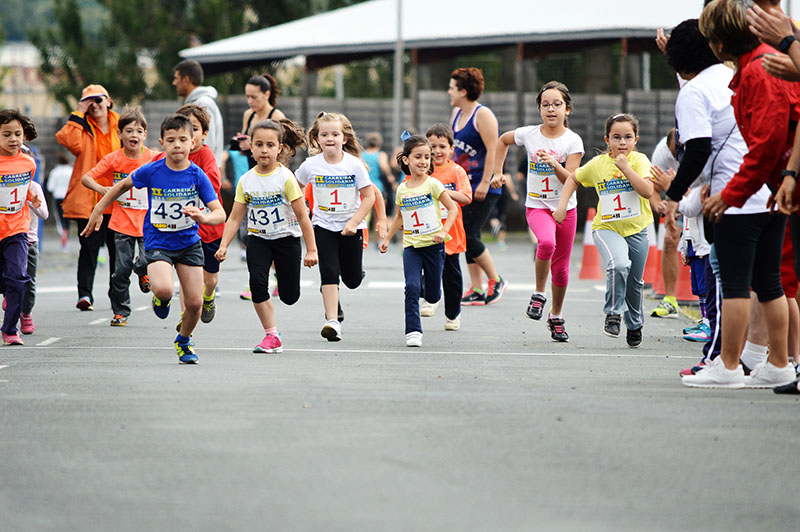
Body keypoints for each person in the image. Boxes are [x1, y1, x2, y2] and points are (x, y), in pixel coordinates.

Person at [682, 0, 799, 388]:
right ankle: (779, 364)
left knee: (737, 282)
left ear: (718, 42)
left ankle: (729, 367)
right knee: (771, 282)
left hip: (759, 190)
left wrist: (730, 194)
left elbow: (766, 142)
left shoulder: (759, 70)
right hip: (772, 188)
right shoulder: (754, 66)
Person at [81, 114, 225, 364]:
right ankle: (161, 297)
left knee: (194, 304)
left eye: (183, 139)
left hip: (189, 243)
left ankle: (184, 340)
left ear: (193, 142)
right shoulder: (152, 169)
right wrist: (97, 210)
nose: (177, 145)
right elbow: (121, 186)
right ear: (162, 143)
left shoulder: (197, 175)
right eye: (171, 140)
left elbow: (220, 212)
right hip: (158, 242)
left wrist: (203, 217)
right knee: (165, 288)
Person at [216, 119, 317, 353]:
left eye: (270, 145)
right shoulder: (246, 180)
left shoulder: (286, 178)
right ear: (250, 147)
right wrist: (223, 246)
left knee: (290, 296)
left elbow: (303, 216)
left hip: (287, 240)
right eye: (259, 144)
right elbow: (234, 218)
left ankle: (281, 279)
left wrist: (311, 250)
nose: (264, 150)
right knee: (257, 284)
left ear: (279, 148)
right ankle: (271, 335)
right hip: (258, 240)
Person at [554, 114, 655, 348]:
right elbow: (573, 179)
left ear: (636, 139)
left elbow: (648, 191)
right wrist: (562, 206)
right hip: (606, 228)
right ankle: (612, 313)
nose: (622, 143)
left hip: (637, 229)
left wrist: (626, 168)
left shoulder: (639, 160)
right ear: (607, 139)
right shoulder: (598, 165)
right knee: (619, 264)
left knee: (634, 282)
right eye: (616, 137)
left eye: (628, 137)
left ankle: (634, 324)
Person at [495, 80, 584, 342]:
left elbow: (572, 177)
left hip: (565, 208)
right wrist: (498, 172)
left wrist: (554, 163)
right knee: (546, 242)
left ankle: (556, 316)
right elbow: (502, 140)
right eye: (545, 104)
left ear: (567, 109)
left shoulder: (573, 141)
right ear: (539, 109)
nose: (551, 109)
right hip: (537, 206)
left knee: (562, 269)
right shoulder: (530, 134)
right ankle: (538, 293)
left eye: (557, 104)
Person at [294, 112, 375, 342]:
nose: (330, 138)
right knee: (328, 272)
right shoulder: (310, 165)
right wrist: (303, 208)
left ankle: (356, 272)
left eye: (335, 134)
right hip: (323, 226)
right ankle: (332, 320)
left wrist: (354, 222)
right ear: (316, 139)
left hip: (351, 227)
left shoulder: (355, 165)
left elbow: (368, 197)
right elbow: (295, 187)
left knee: (352, 280)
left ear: (345, 138)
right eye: (324, 134)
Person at [378, 135, 458, 347]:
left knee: (432, 295)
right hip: (412, 247)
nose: (424, 162)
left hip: (434, 246)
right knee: (411, 287)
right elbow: (399, 216)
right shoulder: (402, 189)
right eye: (418, 157)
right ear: (406, 160)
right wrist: (387, 238)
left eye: (427, 157)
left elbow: (452, 208)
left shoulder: (434, 184)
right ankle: (413, 331)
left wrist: (444, 231)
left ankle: (429, 291)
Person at [81, 107, 154, 327]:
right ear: (119, 134)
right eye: (129, 131)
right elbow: (86, 178)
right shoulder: (114, 159)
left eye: (138, 131)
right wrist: (103, 190)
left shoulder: (153, 157)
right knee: (120, 270)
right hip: (121, 223)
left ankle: (143, 273)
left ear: (145, 135)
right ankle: (120, 311)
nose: (134, 135)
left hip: (149, 222)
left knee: (146, 261)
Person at [55, 84, 120, 311]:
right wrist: (78, 112)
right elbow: (68, 141)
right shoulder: (82, 127)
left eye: (99, 100)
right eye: (89, 102)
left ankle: (117, 296)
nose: (95, 105)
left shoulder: (121, 125)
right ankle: (85, 295)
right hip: (89, 202)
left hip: (118, 200)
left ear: (109, 101)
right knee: (89, 249)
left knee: (118, 252)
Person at [449, 67, 508, 306]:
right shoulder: (456, 113)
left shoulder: (482, 115)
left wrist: (485, 181)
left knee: (470, 235)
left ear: (463, 91)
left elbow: (493, 149)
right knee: (465, 236)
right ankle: (475, 287)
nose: (449, 92)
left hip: (484, 186)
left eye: (452, 88)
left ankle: (495, 279)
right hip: (463, 185)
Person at [420, 123, 472, 331]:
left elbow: (466, 198)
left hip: (451, 233)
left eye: (442, 146)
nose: (436, 151)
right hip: (425, 231)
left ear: (451, 148)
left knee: (452, 277)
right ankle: (430, 299)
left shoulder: (456, 171)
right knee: (425, 269)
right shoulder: (422, 169)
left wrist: (440, 190)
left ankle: (453, 315)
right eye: (432, 147)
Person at [0, 109, 43, 345]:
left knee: (18, 277)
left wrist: (31, 198)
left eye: (18, 134)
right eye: (6, 134)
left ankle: (9, 330)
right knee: (7, 281)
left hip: (17, 229)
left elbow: (22, 188)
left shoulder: (28, 162)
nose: (14, 139)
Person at [649, 129, 682, 319]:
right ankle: (670, 299)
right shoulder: (661, 152)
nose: (676, 158)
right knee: (670, 239)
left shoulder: (702, 146)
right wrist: (658, 204)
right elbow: (653, 189)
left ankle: (708, 312)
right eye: (674, 154)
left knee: (702, 251)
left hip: (698, 194)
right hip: (676, 197)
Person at [173, 60, 224, 172]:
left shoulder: (203, 103)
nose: (174, 83)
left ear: (185, 79)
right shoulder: (201, 101)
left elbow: (208, 140)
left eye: (176, 78)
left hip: (203, 170)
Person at [230, 74, 286, 170]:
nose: (250, 101)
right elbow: (244, 150)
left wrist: (256, 144)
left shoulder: (277, 117)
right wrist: (242, 144)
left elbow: (284, 151)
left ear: (267, 94)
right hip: (252, 170)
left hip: (272, 172)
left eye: (254, 97)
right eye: (247, 97)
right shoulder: (248, 115)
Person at [19, 172, 48, 335]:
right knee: (11, 277)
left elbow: (44, 214)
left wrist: (31, 202)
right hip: (8, 237)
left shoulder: (34, 187)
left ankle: (26, 313)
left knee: (29, 281)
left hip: (29, 239)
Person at [47, 151, 72, 251]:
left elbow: (50, 187)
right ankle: (67, 236)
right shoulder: (71, 171)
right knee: (68, 219)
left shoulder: (55, 172)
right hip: (68, 197)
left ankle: (63, 236)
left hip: (58, 197)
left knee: (59, 218)